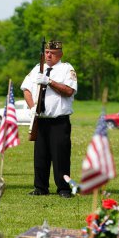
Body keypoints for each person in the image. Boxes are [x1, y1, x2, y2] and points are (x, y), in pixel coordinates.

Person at [20, 40, 77, 198]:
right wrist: (32, 107)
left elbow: (69, 91)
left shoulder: (66, 69)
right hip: (41, 119)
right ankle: (40, 187)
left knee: (61, 156)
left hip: (58, 120)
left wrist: (49, 81)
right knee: (40, 156)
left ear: (60, 54)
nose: (49, 55)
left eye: (52, 53)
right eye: (46, 52)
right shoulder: (38, 68)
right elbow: (26, 89)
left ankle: (64, 188)